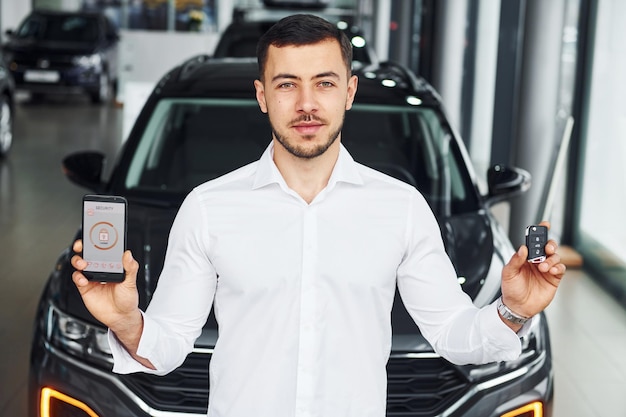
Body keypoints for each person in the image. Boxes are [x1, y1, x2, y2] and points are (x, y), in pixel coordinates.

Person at [71, 13, 566, 417]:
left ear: (348, 93)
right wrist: (126, 320)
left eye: (324, 83)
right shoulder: (208, 207)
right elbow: (172, 344)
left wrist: (513, 310)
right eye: (287, 85)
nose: (307, 104)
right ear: (263, 96)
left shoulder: (401, 208)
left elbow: (454, 335)